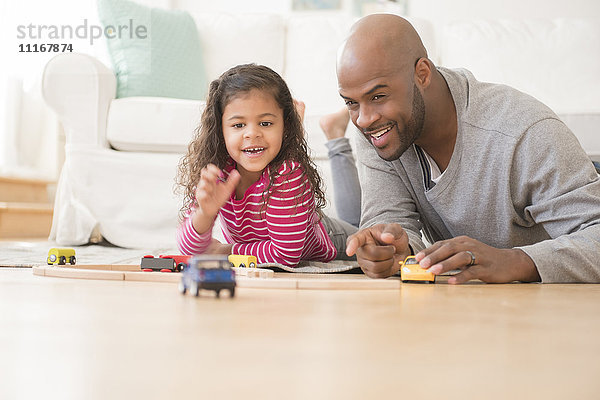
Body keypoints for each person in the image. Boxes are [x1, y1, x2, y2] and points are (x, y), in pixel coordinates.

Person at [329, 13, 600, 283]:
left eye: (378, 96)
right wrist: (393, 251)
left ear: (422, 74)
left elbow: (595, 235)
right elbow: (390, 222)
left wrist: (516, 260)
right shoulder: (380, 129)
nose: (363, 119)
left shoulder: (524, 132)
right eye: (351, 103)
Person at [176, 63, 357, 266]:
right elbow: (190, 250)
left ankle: (336, 138)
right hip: (290, 226)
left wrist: (225, 251)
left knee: (361, 229)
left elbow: (285, 255)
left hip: (331, 238)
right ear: (220, 130)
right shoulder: (217, 169)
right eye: (238, 125)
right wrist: (204, 214)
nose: (252, 133)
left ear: (285, 124)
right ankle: (333, 134)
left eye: (265, 123)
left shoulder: (288, 173)